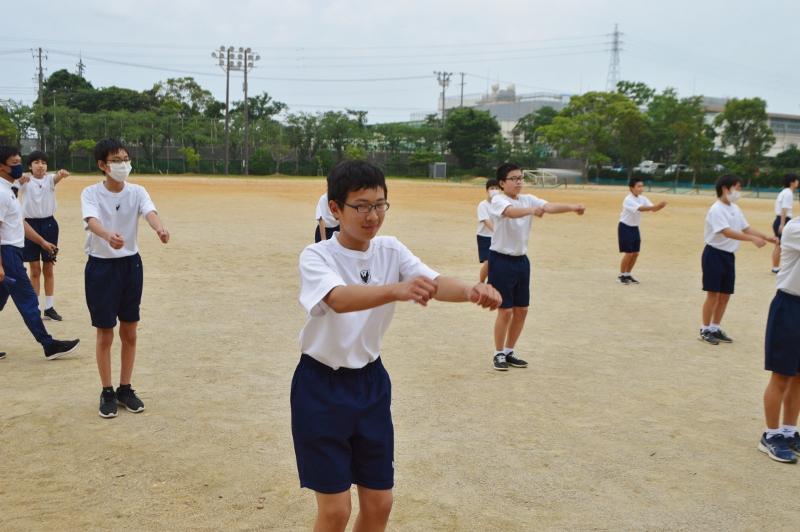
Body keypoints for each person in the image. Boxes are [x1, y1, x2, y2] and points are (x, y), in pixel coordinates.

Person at [293, 160, 501, 532]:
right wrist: (396, 289)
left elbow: (433, 282)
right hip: (320, 387)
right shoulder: (318, 255)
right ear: (335, 208)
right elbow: (337, 298)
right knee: (336, 510)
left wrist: (472, 290)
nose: (372, 216)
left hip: (370, 384)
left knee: (380, 503)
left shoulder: (390, 249)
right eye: (361, 206)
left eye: (379, 205)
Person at [81, 139, 170, 418]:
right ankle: (107, 391)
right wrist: (108, 236)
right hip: (101, 267)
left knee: (130, 330)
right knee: (105, 332)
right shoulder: (91, 193)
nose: (123, 165)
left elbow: (149, 212)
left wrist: (159, 228)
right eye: (116, 160)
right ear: (102, 165)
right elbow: (91, 220)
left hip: (130, 265)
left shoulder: (137, 191)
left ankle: (125, 388)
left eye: (125, 159)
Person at [488, 162, 585, 371]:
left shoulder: (528, 198)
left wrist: (572, 207)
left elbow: (548, 207)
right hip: (501, 260)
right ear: (502, 183)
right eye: (513, 179)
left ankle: (509, 351)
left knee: (522, 309)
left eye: (520, 178)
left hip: (521, 261)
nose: (518, 182)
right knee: (505, 311)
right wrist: (533, 210)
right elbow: (510, 212)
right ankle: (498, 353)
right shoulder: (497, 199)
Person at [0, 145, 79, 360]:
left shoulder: (9, 189)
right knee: (28, 298)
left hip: (14, 251)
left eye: (19, 162)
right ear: (1, 167)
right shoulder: (1, 192)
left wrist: (43, 242)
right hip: (7, 253)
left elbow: (19, 222)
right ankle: (48, 344)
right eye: (14, 164)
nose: (19, 167)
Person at [699, 175, 776, 345]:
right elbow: (726, 232)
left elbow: (746, 228)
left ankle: (715, 327)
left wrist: (767, 237)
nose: (739, 192)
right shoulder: (716, 209)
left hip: (728, 255)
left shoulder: (734, 208)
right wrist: (752, 239)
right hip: (714, 254)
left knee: (725, 294)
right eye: (737, 188)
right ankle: (705, 329)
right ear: (726, 189)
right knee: (713, 294)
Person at [759, 215, 800, 463]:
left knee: (798, 376)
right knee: (782, 375)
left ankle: (789, 430)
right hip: (790, 306)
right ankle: (771, 434)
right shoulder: (795, 227)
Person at [17, 150, 69, 320]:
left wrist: (61, 174)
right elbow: (13, 186)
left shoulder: (50, 179)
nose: (40, 165)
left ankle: (49, 307)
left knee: (48, 267)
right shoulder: (25, 180)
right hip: (30, 226)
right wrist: (19, 180)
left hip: (49, 225)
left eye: (44, 162)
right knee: (34, 269)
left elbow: (57, 177)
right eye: (36, 162)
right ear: (30, 166)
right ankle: (35, 308)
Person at [617, 177, 667, 284]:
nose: (641, 188)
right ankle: (621, 275)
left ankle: (627, 274)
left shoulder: (642, 198)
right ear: (631, 188)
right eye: (638, 186)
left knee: (635, 253)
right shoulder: (628, 199)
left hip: (635, 227)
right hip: (625, 227)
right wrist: (656, 206)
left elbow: (653, 209)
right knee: (629, 253)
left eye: (642, 186)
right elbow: (640, 208)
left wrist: (660, 206)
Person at [771, 173, 798, 274]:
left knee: (779, 244)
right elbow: (784, 209)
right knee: (780, 245)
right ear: (792, 182)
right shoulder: (788, 193)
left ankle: (776, 267)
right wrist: (782, 224)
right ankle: (776, 267)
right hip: (783, 220)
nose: (798, 182)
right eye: (796, 180)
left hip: (780, 220)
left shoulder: (784, 192)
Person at [477, 178, 500, 283]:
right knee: (488, 262)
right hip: (484, 237)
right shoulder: (483, 205)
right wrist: (498, 232)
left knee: (498, 263)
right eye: (492, 188)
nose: (494, 190)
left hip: (498, 237)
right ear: (487, 190)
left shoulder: (502, 205)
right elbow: (486, 221)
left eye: (497, 188)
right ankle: (481, 283)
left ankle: (492, 283)